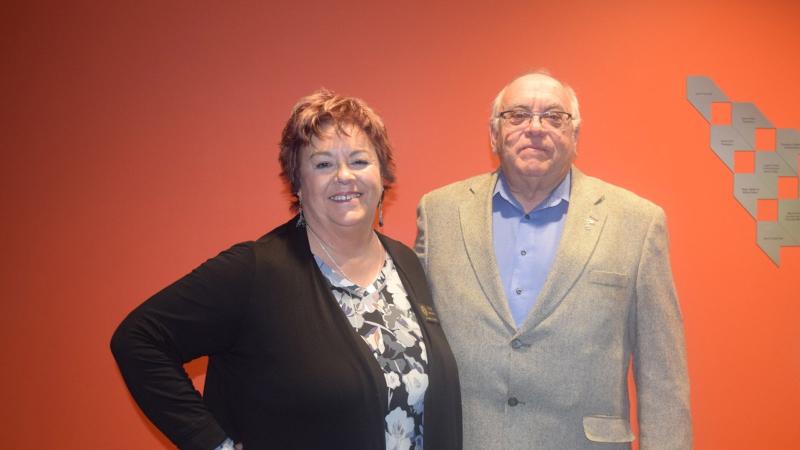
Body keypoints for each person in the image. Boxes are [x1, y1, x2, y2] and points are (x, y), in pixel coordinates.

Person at [111, 89, 461, 450]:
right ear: (297, 182)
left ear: (383, 173)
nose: (344, 176)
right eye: (323, 164)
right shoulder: (257, 271)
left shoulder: (405, 263)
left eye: (359, 161)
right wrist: (215, 445)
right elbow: (138, 340)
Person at [415, 72, 691, 449]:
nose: (535, 128)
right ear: (493, 133)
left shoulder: (637, 222)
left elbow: (663, 376)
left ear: (575, 135)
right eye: (517, 115)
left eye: (553, 117)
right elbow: (413, 346)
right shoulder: (439, 213)